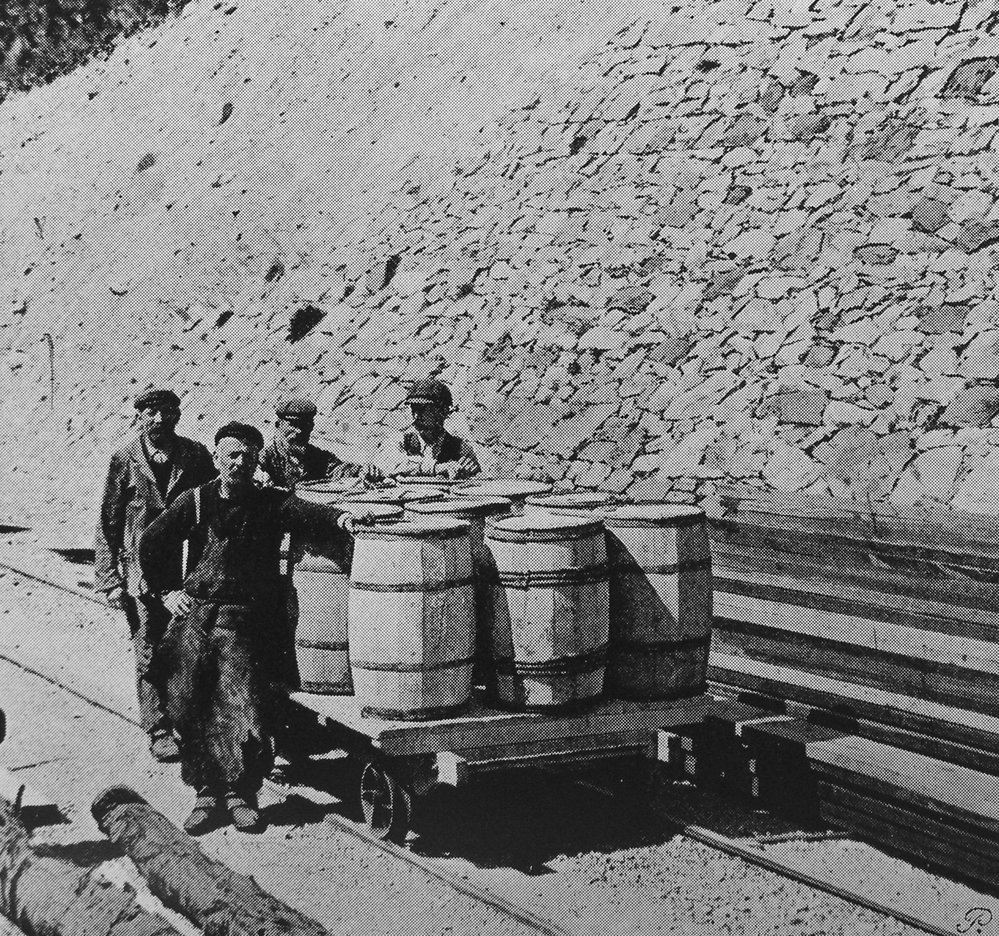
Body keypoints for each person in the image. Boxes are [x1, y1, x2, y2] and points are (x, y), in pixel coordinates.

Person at [138, 422, 368, 834]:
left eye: (247, 455)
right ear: (218, 457)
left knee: (244, 707)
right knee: (191, 707)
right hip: (197, 615)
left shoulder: (270, 503)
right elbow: (152, 541)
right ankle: (206, 795)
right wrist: (166, 590)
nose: (239, 462)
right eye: (231, 455)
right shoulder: (196, 502)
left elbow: (309, 515)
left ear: (257, 459)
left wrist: (345, 519)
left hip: (245, 620)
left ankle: (242, 794)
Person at [94, 389, 216, 762]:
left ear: (178, 416)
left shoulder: (194, 455)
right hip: (141, 573)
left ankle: (185, 721)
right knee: (149, 649)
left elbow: (216, 499)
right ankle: (159, 728)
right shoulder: (125, 458)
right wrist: (109, 578)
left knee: (188, 647)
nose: (160, 420)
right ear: (140, 417)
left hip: (185, 568)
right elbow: (108, 520)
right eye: (151, 413)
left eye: (167, 412)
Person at [257, 397, 377, 490]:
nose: (299, 431)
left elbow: (339, 469)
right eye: (293, 424)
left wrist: (363, 470)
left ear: (311, 428)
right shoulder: (265, 458)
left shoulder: (317, 457)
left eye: (305, 426)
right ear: (278, 425)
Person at [392, 379, 482, 480]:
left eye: (423, 409)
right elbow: (386, 464)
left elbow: (478, 485)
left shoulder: (460, 448)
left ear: (443, 411)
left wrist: (471, 472)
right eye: (414, 408)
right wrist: (436, 468)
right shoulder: (402, 440)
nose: (416, 415)